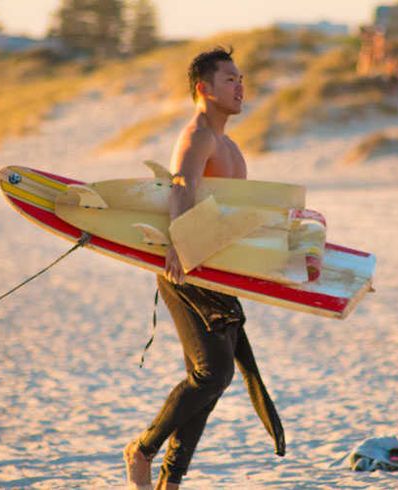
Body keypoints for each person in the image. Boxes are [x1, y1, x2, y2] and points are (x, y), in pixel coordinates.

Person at [123, 47, 285, 489]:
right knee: (213, 373)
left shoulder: (229, 144)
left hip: (217, 268)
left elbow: (232, 212)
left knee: (211, 381)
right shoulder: (198, 136)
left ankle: (170, 481)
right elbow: (181, 187)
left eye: (242, 78)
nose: (240, 87)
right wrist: (179, 242)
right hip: (188, 267)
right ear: (204, 88)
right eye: (230, 79)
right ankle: (143, 450)